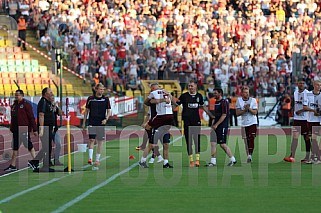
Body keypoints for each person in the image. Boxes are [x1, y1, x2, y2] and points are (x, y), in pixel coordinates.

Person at [174, 80, 213, 167]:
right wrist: (169, 98)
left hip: (196, 120)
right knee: (188, 140)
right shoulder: (184, 96)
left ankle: (197, 160)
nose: (190, 87)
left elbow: (203, 106)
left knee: (197, 139)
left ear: (195, 86)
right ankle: (191, 160)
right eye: (189, 86)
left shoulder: (199, 96)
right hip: (187, 121)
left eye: (192, 86)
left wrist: (211, 115)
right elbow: (176, 104)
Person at [139, 84, 174, 168]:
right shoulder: (152, 100)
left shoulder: (164, 94)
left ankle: (165, 163)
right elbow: (148, 106)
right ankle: (142, 161)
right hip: (157, 123)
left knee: (166, 144)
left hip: (164, 122)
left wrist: (168, 95)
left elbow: (170, 100)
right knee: (152, 144)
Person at [4, 90, 38, 172]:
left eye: (18, 95)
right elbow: (13, 118)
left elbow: (31, 117)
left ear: (22, 95)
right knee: (15, 147)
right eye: (15, 95)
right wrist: (12, 128)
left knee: (29, 145)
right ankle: (13, 165)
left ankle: (36, 161)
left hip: (23, 128)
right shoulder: (14, 105)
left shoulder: (26, 105)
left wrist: (35, 129)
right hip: (16, 129)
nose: (16, 96)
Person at [206, 88, 237, 167]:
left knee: (222, 144)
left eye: (216, 93)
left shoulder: (224, 102)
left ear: (220, 94)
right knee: (213, 142)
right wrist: (213, 124)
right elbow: (217, 115)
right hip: (216, 125)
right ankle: (213, 161)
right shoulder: (216, 102)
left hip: (222, 126)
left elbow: (224, 115)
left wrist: (217, 124)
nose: (214, 94)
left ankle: (233, 159)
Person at [82, 83, 111, 167]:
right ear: (96, 89)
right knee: (91, 139)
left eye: (103, 89)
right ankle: (90, 158)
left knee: (100, 141)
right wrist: (84, 122)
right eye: (100, 89)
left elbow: (109, 111)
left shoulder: (106, 99)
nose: (102, 91)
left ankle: (97, 159)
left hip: (101, 122)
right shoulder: (90, 99)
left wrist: (106, 119)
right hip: (92, 121)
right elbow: (86, 111)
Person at [29, 87, 56, 172]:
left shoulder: (48, 102)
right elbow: (41, 115)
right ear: (45, 94)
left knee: (47, 146)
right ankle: (40, 164)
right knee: (46, 147)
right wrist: (41, 128)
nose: (52, 93)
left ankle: (35, 162)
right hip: (45, 128)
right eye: (50, 92)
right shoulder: (43, 102)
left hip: (49, 127)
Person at [284, 78, 310, 163]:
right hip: (297, 119)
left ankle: (307, 157)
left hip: (305, 119)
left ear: (304, 84)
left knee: (306, 137)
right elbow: (295, 103)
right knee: (295, 137)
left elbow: (309, 107)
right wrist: (292, 109)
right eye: (300, 83)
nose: (301, 84)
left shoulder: (307, 94)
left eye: (303, 83)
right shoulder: (295, 93)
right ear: (297, 84)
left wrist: (301, 111)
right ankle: (292, 156)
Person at [236, 86, 258, 163]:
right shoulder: (239, 100)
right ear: (242, 93)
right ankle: (248, 155)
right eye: (245, 92)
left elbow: (255, 112)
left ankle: (250, 155)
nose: (247, 94)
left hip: (252, 121)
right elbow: (237, 113)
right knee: (246, 140)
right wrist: (244, 110)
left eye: (247, 92)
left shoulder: (253, 100)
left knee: (251, 138)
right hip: (244, 122)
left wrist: (249, 109)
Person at [303, 80, 321, 164]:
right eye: (317, 85)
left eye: (320, 85)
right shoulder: (308, 94)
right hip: (310, 120)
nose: (319, 87)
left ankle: (316, 157)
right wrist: (314, 111)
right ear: (313, 85)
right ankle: (315, 157)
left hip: (319, 121)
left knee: (314, 139)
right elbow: (305, 107)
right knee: (313, 139)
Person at [51, 95, 63, 166]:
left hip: (55, 128)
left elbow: (60, 113)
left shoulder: (55, 106)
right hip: (48, 128)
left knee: (58, 144)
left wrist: (57, 106)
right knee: (47, 146)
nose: (52, 99)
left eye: (53, 98)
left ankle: (56, 160)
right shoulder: (46, 105)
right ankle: (47, 160)